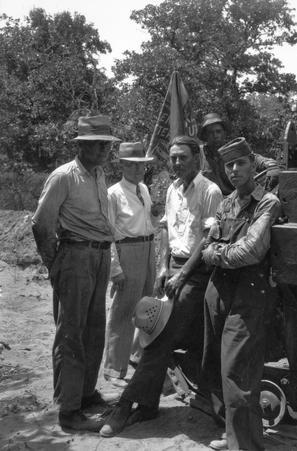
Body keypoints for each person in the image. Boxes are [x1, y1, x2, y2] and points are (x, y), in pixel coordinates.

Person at [99, 135, 223, 437]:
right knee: (161, 332)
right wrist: (166, 266)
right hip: (175, 269)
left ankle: (126, 406)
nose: (177, 163)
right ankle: (152, 405)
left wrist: (183, 274)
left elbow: (209, 239)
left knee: (160, 336)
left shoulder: (211, 191)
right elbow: (167, 227)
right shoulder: (172, 189)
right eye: (173, 157)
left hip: (198, 272)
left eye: (183, 157)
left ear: (198, 158)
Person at [31, 115, 120, 431]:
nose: (102, 150)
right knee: (71, 334)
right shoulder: (64, 177)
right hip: (75, 257)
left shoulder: (97, 175)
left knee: (94, 329)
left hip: (99, 257)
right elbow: (41, 224)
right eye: (96, 144)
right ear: (81, 145)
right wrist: (55, 265)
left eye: (106, 145)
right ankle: (69, 410)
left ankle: (84, 393)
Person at [201, 137, 281, 451]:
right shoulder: (225, 203)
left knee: (238, 371)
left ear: (253, 164)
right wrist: (219, 251)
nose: (234, 171)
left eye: (240, 164)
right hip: (218, 290)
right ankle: (230, 433)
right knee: (214, 361)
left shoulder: (267, 203)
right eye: (229, 166)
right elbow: (206, 243)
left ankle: (246, 445)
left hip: (250, 293)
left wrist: (216, 252)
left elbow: (250, 252)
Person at [103, 142, 155, 387]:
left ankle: (135, 355)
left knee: (146, 306)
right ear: (122, 165)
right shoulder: (113, 193)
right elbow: (108, 234)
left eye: (141, 165)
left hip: (147, 248)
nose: (138, 170)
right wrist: (116, 269)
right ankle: (114, 369)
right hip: (128, 250)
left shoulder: (143, 189)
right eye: (132, 165)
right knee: (123, 311)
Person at [199, 113, 281, 195]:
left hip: (238, 201)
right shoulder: (199, 154)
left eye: (218, 131)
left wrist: (271, 166)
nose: (215, 136)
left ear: (224, 133)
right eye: (210, 132)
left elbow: (255, 158)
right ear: (205, 136)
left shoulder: (233, 150)